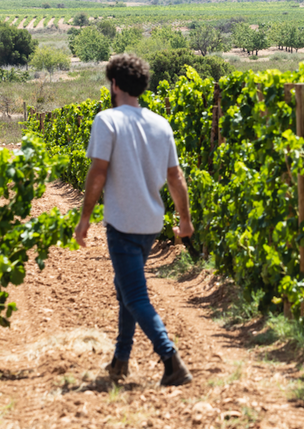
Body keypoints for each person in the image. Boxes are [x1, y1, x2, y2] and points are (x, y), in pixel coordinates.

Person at [74, 54, 194, 387]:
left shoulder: (107, 120)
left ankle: (171, 361)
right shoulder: (160, 124)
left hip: (122, 224)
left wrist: (85, 218)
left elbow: (98, 174)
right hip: (151, 225)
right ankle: (120, 361)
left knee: (135, 296)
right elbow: (175, 177)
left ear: (114, 84)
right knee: (128, 289)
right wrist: (185, 221)